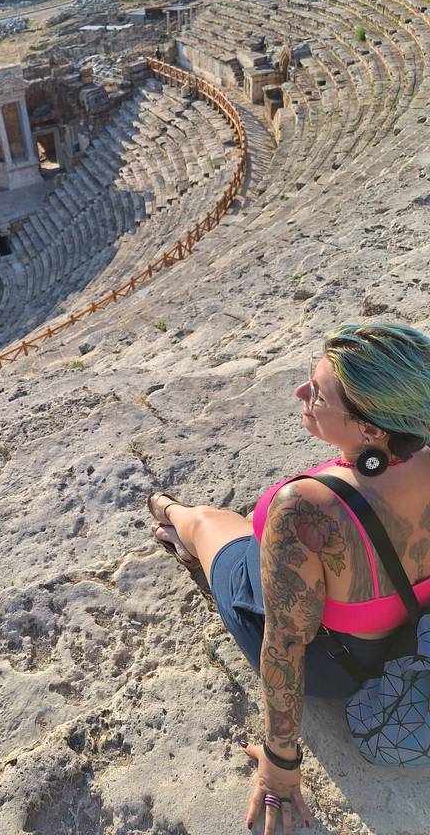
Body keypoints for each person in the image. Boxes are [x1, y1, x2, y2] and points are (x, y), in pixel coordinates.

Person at [148, 323, 430, 834]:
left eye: (316, 391)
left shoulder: (305, 507)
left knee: (219, 533)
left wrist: (281, 764)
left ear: (370, 430)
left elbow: (284, 645)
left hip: (337, 667)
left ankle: (169, 513)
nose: (300, 392)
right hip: (409, 633)